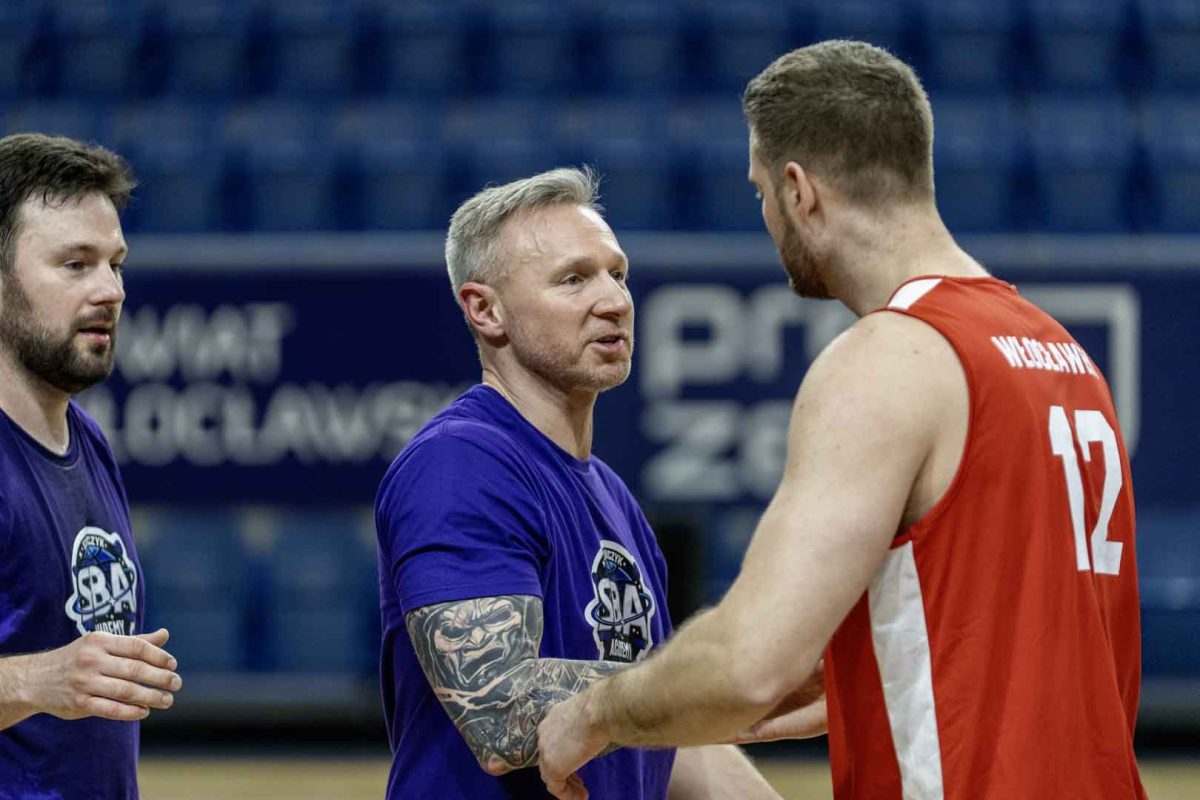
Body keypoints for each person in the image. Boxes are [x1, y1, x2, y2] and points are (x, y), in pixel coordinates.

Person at [537, 41, 1146, 800]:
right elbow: (1018, 614)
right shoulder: (1062, 354)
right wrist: (858, 662)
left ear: (800, 191)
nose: (766, 216)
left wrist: (595, 712)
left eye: (761, 192)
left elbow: (746, 664)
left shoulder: (889, 356)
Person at [375, 167, 781, 799]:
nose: (615, 301)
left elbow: (658, 740)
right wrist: (714, 681)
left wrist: (707, 701)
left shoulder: (613, 496)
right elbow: (499, 709)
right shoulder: (459, 464)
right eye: (573, 279)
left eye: (618, 274)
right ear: (485, 310)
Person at [0, 134, 182, 797]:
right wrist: (36, 680)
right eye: (75, 264)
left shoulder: (88, 438)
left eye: (116, 264)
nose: (111, 290)